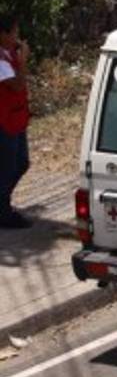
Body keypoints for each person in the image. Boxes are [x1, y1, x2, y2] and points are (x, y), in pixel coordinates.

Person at [0, 13, 32, 230]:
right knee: (8, 168)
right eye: (14, 33)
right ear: (3, 34)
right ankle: (3, 212)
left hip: (17, 118)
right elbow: (18, 85)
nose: (17, 37)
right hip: (4, 122)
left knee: (21, 163)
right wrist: (23, 61)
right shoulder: (2, 61)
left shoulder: (9, 53)